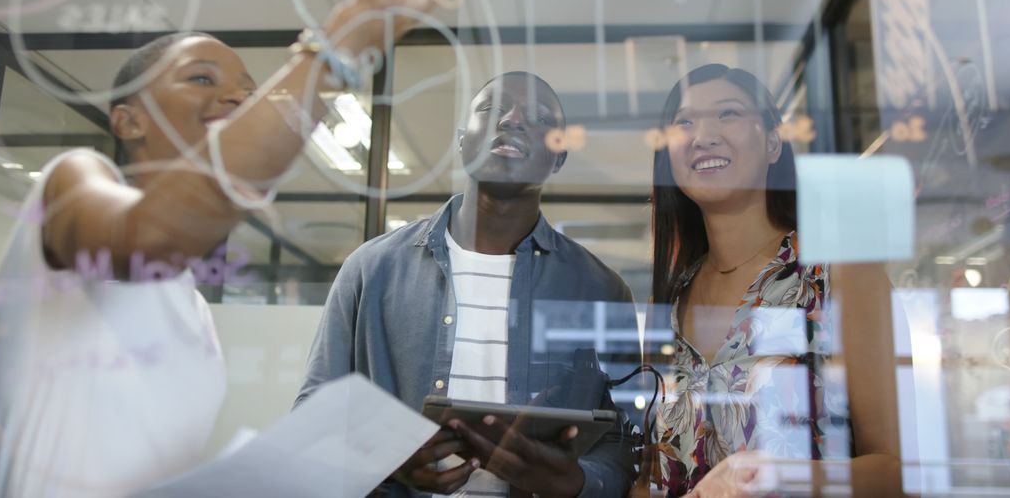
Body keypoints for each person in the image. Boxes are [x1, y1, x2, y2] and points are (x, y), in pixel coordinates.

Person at [0, 0, 488, 496]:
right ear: (128, 121)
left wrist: (382, 464)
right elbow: (150, 234)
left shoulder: (195, 313)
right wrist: (358, 25)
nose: (233, 97)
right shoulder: (69, 184)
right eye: (202, 77)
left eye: (247, 93)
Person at [297, 71, 637, 497]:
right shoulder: (371, 269)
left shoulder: (601, 290)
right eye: (491, 109)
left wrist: (577, 482)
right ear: (463, 140)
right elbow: (313, 418)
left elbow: (624, 442)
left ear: (560, 156)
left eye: (537, 117)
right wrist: (383, 462)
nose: (511, 120)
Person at [645, 64, 904, 497]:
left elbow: (899, 473)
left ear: (772, 142)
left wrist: (776, 477)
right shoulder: (670, 300)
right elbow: (651, 479)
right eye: (684, 121)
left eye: (727, 114)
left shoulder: (837, 273)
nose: (702, 134)